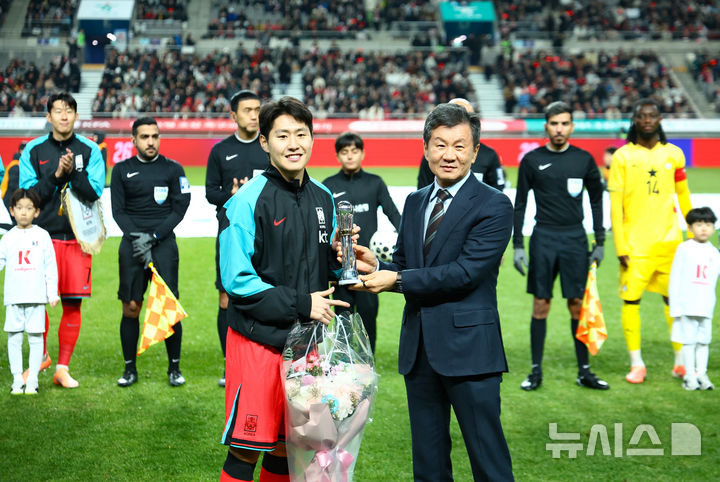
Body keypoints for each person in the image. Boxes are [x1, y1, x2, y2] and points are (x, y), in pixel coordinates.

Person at [347, 103, 514, 481]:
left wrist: (396, 280)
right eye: (440, 144)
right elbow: (405, 264)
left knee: (489, 463)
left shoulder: (495, 204)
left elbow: (465, 273)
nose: (449, 155)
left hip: (471, 353)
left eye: (459, 145)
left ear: (475, 151)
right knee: (428, 464)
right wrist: (375, 265)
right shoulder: (416, 201)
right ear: (425, 149)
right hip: (420, 351)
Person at [218, 97, 349, 482]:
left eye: (301, 134)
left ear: (312, 139)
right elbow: (237, 281)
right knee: (245, 450)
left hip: (306, 345)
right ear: (264, 142)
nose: (294, 144)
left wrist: (342, 258)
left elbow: (325, 268)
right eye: (282, 136)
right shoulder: (245, 201)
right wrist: (301, 303)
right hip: (257, 342)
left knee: (287, 446)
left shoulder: (324, 197)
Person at [512, 101, 608, 391]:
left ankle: (584, 371)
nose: (559, 129)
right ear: (546, 126)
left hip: (575, 239)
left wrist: (600, 240)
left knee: (577, 304)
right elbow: (520, 204)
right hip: (543, 238)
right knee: (541, 304)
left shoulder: (584, 159)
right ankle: (535, 371)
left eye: (564, 123)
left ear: (572, 127)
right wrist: (518, 245)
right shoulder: (532, 160)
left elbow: (596, 200)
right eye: (554, 124)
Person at [19, 91, 105, 388]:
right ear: (49, 116)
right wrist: (57, 175)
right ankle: (41, 357)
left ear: (76, 116)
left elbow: (94, 192)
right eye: (58, 110)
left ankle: (62, 368)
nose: (64, 115)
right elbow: (28, 198)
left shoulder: (90, 150)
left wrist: (73, 174)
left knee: (72, 304)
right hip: (40, 238)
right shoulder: (33, 150)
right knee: (37, 303)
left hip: (78, 239)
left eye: (69, 110)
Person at [608, 98, 693, 384]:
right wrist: (621, 245)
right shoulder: (622, 157)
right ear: (634, 120)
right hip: (635, 246)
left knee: (674, 301)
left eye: (652, 115)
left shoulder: (674, 154)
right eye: (642, 116)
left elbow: (683, 196)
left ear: (659, 119)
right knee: (631, 301)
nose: (647, 120)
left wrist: (692, 234)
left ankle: (681, 361)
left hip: (670, 243)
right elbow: (615, 206)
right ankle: (637, 364)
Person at [111, 117, 191, 387]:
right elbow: (118, 211)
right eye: (144, 137)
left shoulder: (173, 169)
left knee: (169, 308)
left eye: (154, 136)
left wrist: (155, 236)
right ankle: (129, 369)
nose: (150, 142)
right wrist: (138, 238)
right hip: (132, 245)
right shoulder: (121, 170)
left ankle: (174, 369)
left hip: (163, 244)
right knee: (131, 307)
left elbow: (180, 207)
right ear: (133, 140)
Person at [205, 90, 268, 387]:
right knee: (226, 297)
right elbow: (210, 193)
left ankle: (263, 359)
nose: (254, 115)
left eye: (257, 110)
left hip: (267, 231)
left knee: (266, 290)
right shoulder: (220, 151)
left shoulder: (268, 146)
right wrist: (231, 196)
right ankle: (230, 364)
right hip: (230, 232)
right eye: (247, 110)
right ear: (233, 115)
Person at [322, 132, 401, 352]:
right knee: (343, 323)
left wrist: (406, 238)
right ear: (337, 155)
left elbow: (393, 214)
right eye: (344, 152)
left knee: (368, 322)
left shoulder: (374, 183)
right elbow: (323, 226)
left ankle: (367, 364)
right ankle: (343, 364)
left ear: (362, 153)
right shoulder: (328, 185)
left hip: (369, 269)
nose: (350, 156)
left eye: (354, 151)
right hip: (340, 268)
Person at [1, 189, 59, 394]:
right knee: (14, 338)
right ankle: (17, 379)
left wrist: (52, 293)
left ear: (37, 212)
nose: (23, 212)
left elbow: (50, 266)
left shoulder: (42, 236)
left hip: (36, 296)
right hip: (14, 297)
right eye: (19, 208)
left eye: (28, 208)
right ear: (12, 211)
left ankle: (32, 379)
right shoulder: (7, 238)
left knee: (35, 337)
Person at [669, 207, 720, 391]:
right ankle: (690, 375)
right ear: (690, 228)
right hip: (688, 304)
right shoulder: (684, 249)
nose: (704, 228)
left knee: (704, 341)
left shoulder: (714, 252)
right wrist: (675, 306)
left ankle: (702, 374)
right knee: (689, 341)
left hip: (706, 305)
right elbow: (675, 277)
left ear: (713, 228)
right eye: (699, 224)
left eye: (708, 224)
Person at [417, 98, 506, 191]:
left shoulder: (489, 154)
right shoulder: (433, 156)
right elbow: (423, 190)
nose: (449, 157)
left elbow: (498, 188)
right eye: (441, 145)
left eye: (466, 115)